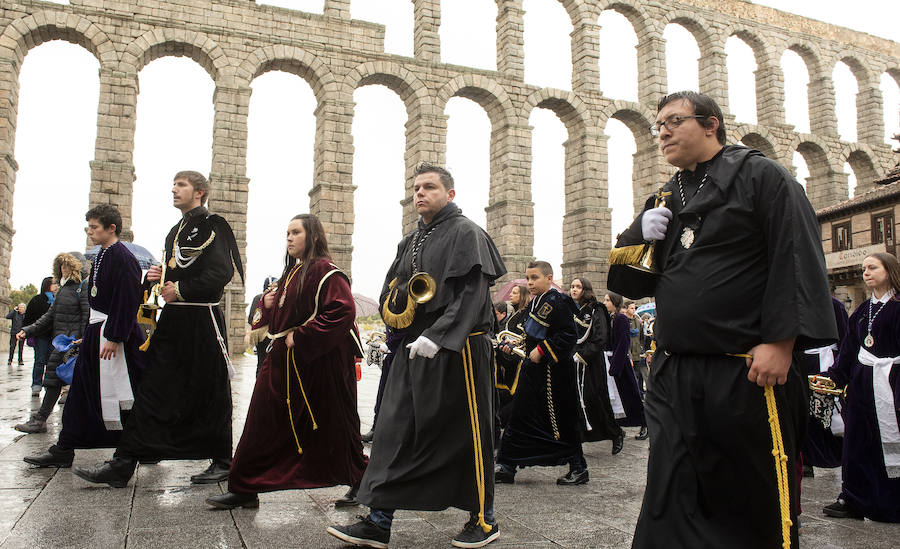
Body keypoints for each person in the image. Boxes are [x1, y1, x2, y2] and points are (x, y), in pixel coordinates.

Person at [609, 90, 835, 548]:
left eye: (673, 121)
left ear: (711, 124)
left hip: (744, 370)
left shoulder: (763, 176)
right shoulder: (667, 193)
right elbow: (627, 281)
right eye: (657, 125)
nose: (662, 132)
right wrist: (637, 233)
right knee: (671, 494)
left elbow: (795, 255)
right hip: (675, 373)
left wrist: (782, 343)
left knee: (747, 497)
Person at [327, 162, 506, 549]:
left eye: (429, 187)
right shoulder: (410, 240)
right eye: (416, 188)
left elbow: (473, 295)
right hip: (413, 347)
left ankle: (484, 519)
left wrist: (439, 336)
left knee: (467, 434)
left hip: (459, 349)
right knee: (395, 431)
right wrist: (399, 307)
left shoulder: (468, 233)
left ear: (450, 194)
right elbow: (392, 287)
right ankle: (378, 521)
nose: (420, 193)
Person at [74, 170, 243, 488]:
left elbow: (221, 272)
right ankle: (124, 462)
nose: (174, 189)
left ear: (200, 192)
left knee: (210, 389)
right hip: (174, 320)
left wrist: (179, 289)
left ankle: (222, 459)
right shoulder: (174, 231)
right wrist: (159, 275)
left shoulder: (214, 225)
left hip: (202, 320)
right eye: (174, 184)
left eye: (181, 185)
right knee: (152, 387)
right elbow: (175, 272)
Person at [206, 214, 368, 510]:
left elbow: (343, 311)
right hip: (283, 362)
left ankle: (361, 479)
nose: (289, 238)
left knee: (335, 425)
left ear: (313, 237)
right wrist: (267, 305)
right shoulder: (292, 272)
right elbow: (279, 315)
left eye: (296, 232)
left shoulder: (327, 271)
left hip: (315, 367)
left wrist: (303, 336)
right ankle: (244, 486)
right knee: (260, 421)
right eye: (287, 233)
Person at [23, 205, 146, 468]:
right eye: (88, 227)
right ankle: (64, 448)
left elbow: (127, 299)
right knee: (79, 393)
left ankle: (138, 449)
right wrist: (88, 335)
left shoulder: (123, 258)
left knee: (128, 394)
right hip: (95, 334)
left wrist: (114, 336)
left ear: (111, 228)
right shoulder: (101, 255)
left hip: (113, 337)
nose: (89, 232)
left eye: (94, 227)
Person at [822, 253, 900, 522]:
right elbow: (849, 349)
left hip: (892, 384)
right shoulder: (863, 310)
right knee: (856, 442)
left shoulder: (898, 306)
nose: (866, 272)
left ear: (889, 271)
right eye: (864, 268)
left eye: (872, 267)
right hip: (862, 386)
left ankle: (891, 500)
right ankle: (853, 498)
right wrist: (834, 376)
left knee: (887, 443)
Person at [494, 261, 586, 486]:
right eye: (527, 278)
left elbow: (569, 335)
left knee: (561, 421)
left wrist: (543, 349)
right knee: (519, 417)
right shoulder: (535, 302)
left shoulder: (558, 301)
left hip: (554, 375)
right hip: (533, 372)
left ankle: (578, 467)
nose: (530, 283)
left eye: (534, 278)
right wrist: (512, 346)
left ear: (549, 278)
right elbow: (530, 337)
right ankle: (507, 464)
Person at [14, 253, 90, 434]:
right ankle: (42, 420)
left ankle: (44, 420)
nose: (63, 269)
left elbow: (87, 316)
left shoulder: (82, 287)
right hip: (63, 342)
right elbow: (49, 316)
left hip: (72, 343)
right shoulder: (64, 289)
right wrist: (28, 330)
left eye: (67, 265)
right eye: (61, 265)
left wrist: (83, 340)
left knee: (60, 381)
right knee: (54, 380)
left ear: (76, 267)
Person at [570, 277, 624, 454]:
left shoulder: (596, 309)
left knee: (596, 399)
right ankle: (578, 439)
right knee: (577, 401)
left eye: (578, 287)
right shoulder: (573, 310)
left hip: (591, 362)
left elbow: (600, 337)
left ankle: (615, 433)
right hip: (574, 362)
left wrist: (583, 354)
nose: (574, 289)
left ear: (585, 289)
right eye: (572, 286)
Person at [800, 297, 848, 474]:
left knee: (830, 410)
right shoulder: (794, 303)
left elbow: (845, 338)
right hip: (804, 361)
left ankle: (839, 452)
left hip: (828, 362)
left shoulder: (835, 306)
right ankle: (806, 458)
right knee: (805, 410)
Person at [603, 293, 647, 441]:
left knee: (631, 395)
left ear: (615, 302)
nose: (605, 302)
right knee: (618, 398)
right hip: (611, 361)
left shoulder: (621, 319)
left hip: (620, 363)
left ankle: (645, 423)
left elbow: (623, 343)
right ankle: (617, 426)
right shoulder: (610, 318)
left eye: (607, 300)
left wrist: (616, 366)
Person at [24, 277, 56, 395]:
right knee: (40, 360)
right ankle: (36, 384)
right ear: (47, 285)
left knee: (51, 362)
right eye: (54, 283)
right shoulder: (37, 300)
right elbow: (28, 318)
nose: (56, 286)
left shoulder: (57, 299)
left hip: (54, 336)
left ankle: (48, 384)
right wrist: (29, 333)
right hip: (40, 335)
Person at [247, 276, 277, 374]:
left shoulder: (259, 298)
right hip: (264, 336)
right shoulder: (260, 298)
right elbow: (252, 318)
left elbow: (251, 319)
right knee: (263, 364)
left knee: (262, 364)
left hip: (266, 336)